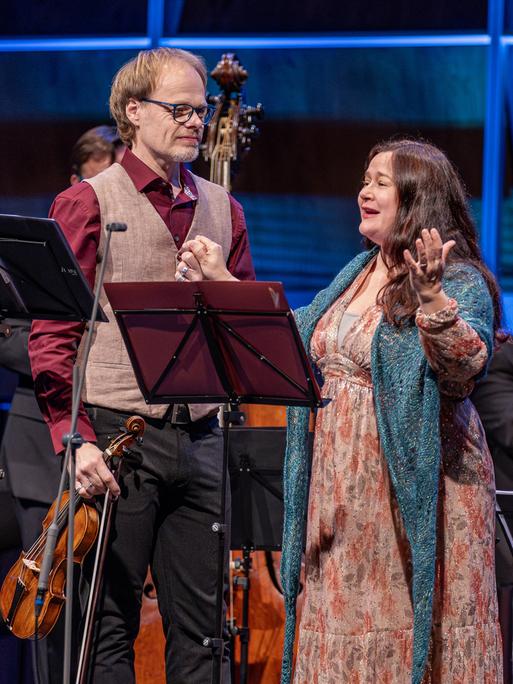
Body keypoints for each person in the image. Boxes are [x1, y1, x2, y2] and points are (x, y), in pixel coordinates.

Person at [28, 47, 254, 684]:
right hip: (117, 435)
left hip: (202, 437)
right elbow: (54, 336)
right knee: (107, 629)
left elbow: (246, 335)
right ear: (133, 111)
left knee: (204, 636)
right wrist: (76, 441)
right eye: (179, 108)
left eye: (200, 109)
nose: (194, 121)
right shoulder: (87, 202)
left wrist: (220, 279)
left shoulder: (223, 208)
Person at [279, 139, 504, 683]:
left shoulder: (459, 280)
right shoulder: (353, 272)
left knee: (409, 632)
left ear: (418, 198)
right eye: (365, 178)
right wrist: (223, 283)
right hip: (338, 498)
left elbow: (466, 367)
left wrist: (431, 301)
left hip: (414, 495)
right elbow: (295, 335)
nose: (364, 191)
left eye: (381, 181)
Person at [0, 124, 123, 684]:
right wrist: (76, 357)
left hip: (111, 441)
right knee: (46, 608)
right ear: (76, 182)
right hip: (38, 447)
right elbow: (10, 336)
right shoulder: (39, 252)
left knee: (104, 614)